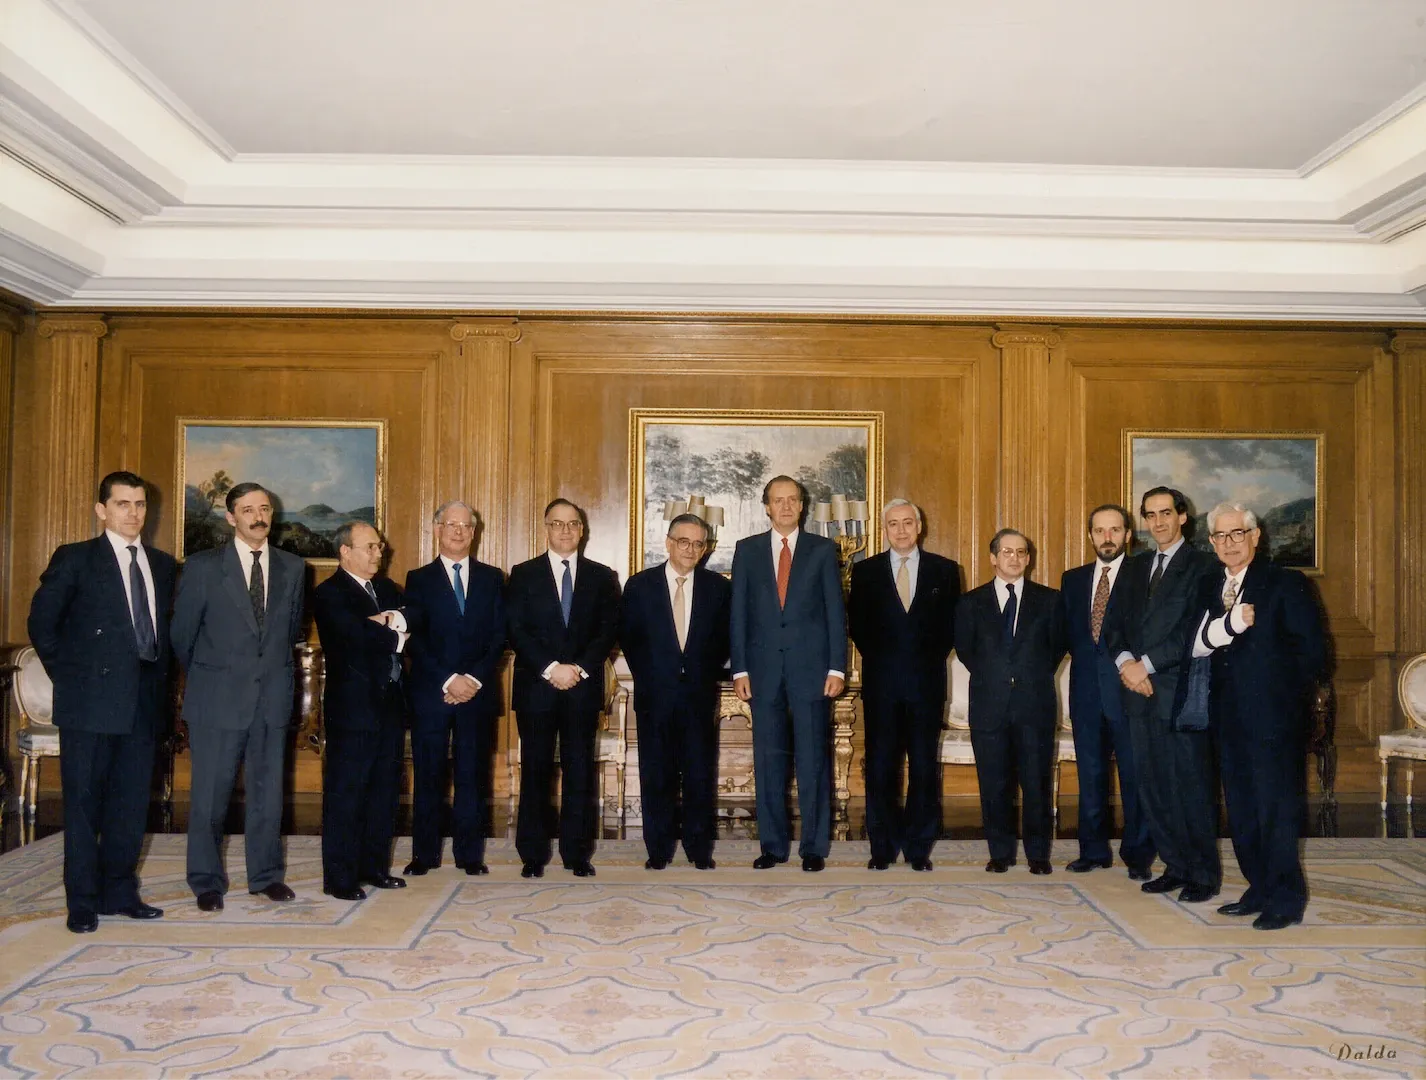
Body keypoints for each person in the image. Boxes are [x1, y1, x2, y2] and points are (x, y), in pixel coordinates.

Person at [28, 470, 176, 933]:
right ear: (102, 510)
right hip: (89, 703)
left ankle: (120, 892)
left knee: (131, 804)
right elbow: (42, 626)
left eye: (139, 504)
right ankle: (83, 901)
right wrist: (72, 680)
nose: (133, 513)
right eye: (122, 504)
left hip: (143, 703)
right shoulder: (75, 559)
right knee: (83, 805)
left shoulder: (164, 565)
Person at [1187, 502, 1325, 930]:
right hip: (1224, 718)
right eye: (1220, 536)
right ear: (1211, 543)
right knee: (1242, 808)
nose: (1229, 543)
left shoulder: (1286, 583)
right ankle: (1258, 887)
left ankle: (1285, 898)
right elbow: (1193, 643)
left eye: (1237, 534)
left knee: (1276, 809)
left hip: (1274, 720)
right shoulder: (1208, 583)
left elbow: (1315, 655)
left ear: (1255, 536)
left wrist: (1282, 701)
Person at [171, 482, 306, 912]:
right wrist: (214, 678)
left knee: (268, 796)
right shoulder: (203, 567)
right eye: (248, 509)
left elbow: (292, 632)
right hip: (217, 699)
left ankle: (266, 876)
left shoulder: (293, 567)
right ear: (230, 518)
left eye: (265, 507)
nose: (258, 516)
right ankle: (206, 882)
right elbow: (182, 637)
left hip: (272, 699)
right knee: (210, 797)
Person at [1102, 486, 1220, 904]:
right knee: (1151, 784)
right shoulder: (1132, 568)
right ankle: (1175, 865)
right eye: (1150, 515)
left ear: (1183, 516)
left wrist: (1145, 666)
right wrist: (1125, 665)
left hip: (1179, 692)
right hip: (1137, 692)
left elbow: (1193, 629)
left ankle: (1203, 874)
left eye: (1166, 513)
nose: (1159, 522)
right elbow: (1112, 626)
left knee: (1190, 785)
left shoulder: (1205, 566)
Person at [730, 476, 847, 872]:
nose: (784, 507)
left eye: (791, 500)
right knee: (768, 761)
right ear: (766, 506)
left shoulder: (821, 550)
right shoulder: (746, 551)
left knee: (813, 760)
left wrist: (837, 667)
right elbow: (739, 616)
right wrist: (740, 667)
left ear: (802, 506)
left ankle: (814, 848)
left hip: (813, 673)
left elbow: (835, 612)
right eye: (777, 501)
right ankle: (773, 846)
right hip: (761, 673)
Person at [505, 498, 620, 878]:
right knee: (535, 770)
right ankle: (532, 855)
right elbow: (516, 629)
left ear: (582, 530)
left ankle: (577, 853)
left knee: (579, 771)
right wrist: (552, 668)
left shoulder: (603, 576)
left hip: (582, 688)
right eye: (558, 524)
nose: (566, 530)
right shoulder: (522, 574)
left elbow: (608, 631)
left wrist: (579, 669)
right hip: (537, 687)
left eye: (573, 524)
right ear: (546, 528)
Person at [848, 498, 960, 872]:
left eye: (907, 523)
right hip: (881, 685)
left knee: (925, 767)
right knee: (881, 767)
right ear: (885, 529)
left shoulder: (944, 571)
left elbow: (949, 629)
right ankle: (882, 846)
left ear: (919, 526)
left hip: (926, 684)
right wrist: (888, 662)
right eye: (893, 524)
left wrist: (919, 661)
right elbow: (858, 628)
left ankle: (918, 849)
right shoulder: (864, 571)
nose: (900, 530)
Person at [619, 513, 731, 870]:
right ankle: (659, 849)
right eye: (684, 542)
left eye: (699, 543)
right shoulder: (640, 586)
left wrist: (702, 672)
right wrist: (653, 677)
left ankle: (699, 850)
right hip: (654, 695)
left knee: (699, 773)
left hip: (698, 694)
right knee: (656, 774)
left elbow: (725, 639)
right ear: (668, 543)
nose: (691, 549)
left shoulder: (718, 588)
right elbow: (630, 639)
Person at [402, 500, 506, 877]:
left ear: (474, 532)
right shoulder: (418, 579)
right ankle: (424, 855)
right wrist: (449, 679)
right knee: (429, 775)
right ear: (437, 529)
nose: (459, 531)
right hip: (433, 692)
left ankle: (470, 856)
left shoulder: (494, 578)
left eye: (466, 525)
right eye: (451, 525)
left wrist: (473, 680)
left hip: (477, 693)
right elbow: (416, 639)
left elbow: (499, 636)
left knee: (472, 776)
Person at [953, 528, 1065, 875]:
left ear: (1028, 559)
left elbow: (1055, 649)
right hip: (989, 705)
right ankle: (999, 853)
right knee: (993, 782)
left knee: (1036, 783)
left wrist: (1024, 677)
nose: (1014, 558)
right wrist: (1000, 676)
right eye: (1006, 552)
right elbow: (966, 650)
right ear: (993, 558)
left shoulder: (1050, 600)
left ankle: (1038, 855)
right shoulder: (970, 602)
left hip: (1035, 704)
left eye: (1021, 552)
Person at [311, 522, 408, 901]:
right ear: (345, 552)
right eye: (369, 547)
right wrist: (394, 630)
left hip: (390, 704)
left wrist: (386, 624)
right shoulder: (329, 592)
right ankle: (339, 878)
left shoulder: (386, 589)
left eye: (380, 547)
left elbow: (414, 619)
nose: (377, 554)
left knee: (384, 790)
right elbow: (352, 638)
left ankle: (374, 867)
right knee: (346, 793)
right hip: (352, 708)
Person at [1057, 504, 1154, 878]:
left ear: (1128, 535)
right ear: (1091, 535)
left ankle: (1138, 856)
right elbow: (1065, 635)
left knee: (1133, 776)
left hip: (1130, 691)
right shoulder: (1073, 579)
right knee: (1091, 775)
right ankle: (1093, 851)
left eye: (1115, 530)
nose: (1108, 538)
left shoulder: (1143, 574)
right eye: (1100, 531)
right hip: (1085, 694)